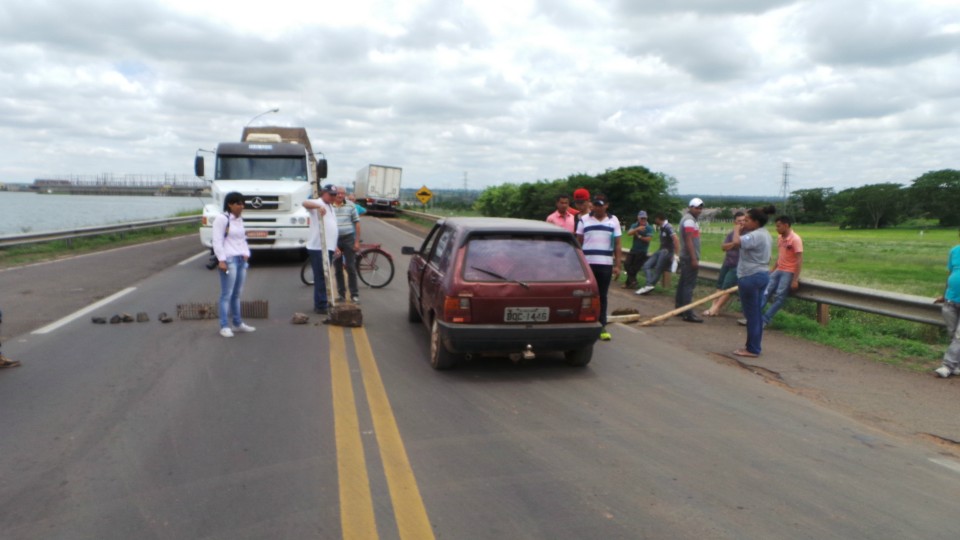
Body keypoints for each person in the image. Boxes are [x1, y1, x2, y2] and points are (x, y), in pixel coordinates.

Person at [729, 205, 775, 357]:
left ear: (756, 222)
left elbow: (736, 242)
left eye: (747, 220)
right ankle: (753, 346)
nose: (744, 223)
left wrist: (736, 229)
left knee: (752, 315)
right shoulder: (766, 234)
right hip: (762, 274)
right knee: (756, 313)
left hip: (750, 276)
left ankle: (752, 348)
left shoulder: (755, 235)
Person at [576, 194, 621, 342]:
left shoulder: (613, 221)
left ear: (606, 205)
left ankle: (601, 325)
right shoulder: (584, 220)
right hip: (588, 263)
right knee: (585, 294)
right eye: (595, 204)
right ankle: (583, 322)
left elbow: (618, 244)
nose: (597, 207)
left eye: (600, 205)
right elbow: (578, 242)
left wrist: (618, 265)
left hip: (605, 263)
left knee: (602, 295)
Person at [213, 192, 255, 338]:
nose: (241, 206)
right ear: (230, 204)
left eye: (243, 204)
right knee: (227, 294)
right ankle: (224, 326)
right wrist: (221, 260)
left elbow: (242, 239)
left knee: (237, 294)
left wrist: (246, 254)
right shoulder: (222, 219)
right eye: (238, 203)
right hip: (229, 260)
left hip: (240, 260)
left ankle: (237, 323)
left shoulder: (239, 219)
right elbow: (217, 240)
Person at [759, 215, 804, 327]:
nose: (776, 228)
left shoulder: (795, 239)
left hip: (788, 272)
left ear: (786, 225)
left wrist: (795, 280)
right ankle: (755, 316)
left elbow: (799, 260)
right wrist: (773, 269)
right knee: (766, 292)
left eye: (778, 226)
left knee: (779, 297)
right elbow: (781, 256)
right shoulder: (780, 238)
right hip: (779, 269)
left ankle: (765, 319)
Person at [303, 184, 340, 314]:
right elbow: (305, 203)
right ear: (323, 193)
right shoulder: (318, 203)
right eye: (331, 194)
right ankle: (320, 304)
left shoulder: (331, 206)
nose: (333, 197)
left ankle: (323, 301)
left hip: (328, 246)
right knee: (321, 276)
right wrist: (318, 206)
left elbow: (331, 227)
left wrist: (334, 246)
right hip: (318, 247)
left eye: (335, 195)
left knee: (326, 275)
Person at [703, 211, 746, 317]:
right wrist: (733, 244)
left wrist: (732, 244)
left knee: (727, 287)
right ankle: (713, 307)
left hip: (738, 265)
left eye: (743, 221)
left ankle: (716, 308)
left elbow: (737, 244)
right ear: (734, 223)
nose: (741, 223)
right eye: (739, 221)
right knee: (720, 285)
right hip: (727, 262)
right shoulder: (731, 234)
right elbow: (723, 247)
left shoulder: (748, 234)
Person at [933, 231, 960, 378]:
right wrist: (944, 295)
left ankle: (947, 366)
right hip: (951, 300)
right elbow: (950, 274)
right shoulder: (955, 251)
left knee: (959, 337)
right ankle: (957, 366)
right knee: (953, 335)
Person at [675, 197, 705, 323]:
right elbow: (688, 240)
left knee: (683, 283)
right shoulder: (689, 221)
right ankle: (687, 312)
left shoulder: (690, 220)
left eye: (700, 208)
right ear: (690, 207)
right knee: (689, 285)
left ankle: (679, 308)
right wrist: (693, 258)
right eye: (696, 207)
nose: (698, 210)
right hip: (689, 256)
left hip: (686, 256)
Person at [635, 213, 679, 295]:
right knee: (646, 265)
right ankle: (649, 284)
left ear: (659, 219)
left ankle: (649, 285)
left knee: (658, 269)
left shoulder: (668, 227)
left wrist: (676, 255)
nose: (655, 221)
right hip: (661, 250)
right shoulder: (662, 227)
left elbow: (676, 239)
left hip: (667, 251)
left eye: (656, 219)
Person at [333, 186, 362, 304]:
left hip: (348, 238)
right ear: (334, 194)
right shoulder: (330, 206)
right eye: (338, 193)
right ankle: (341, 294)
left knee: (350, 267)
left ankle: (354, 295)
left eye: (342, 193)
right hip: (335, 239)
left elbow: (357, 223)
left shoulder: (351, 205)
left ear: (345, 194)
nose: (340, 195)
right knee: (337, 268)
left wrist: (356, 241)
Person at [623, 210, 654, 289]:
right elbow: (629, 233)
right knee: (626, 264)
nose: (643, 220)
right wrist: (637, 229)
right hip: (634, 249)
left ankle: (628, 283)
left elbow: (648, 239)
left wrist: (639, 236)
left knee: (634, 268)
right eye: (641, 218)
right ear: (638, 218)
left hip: (642, 251)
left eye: (644, 218)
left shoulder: (649, 228)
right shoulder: (635, 225)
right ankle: (633, 281)